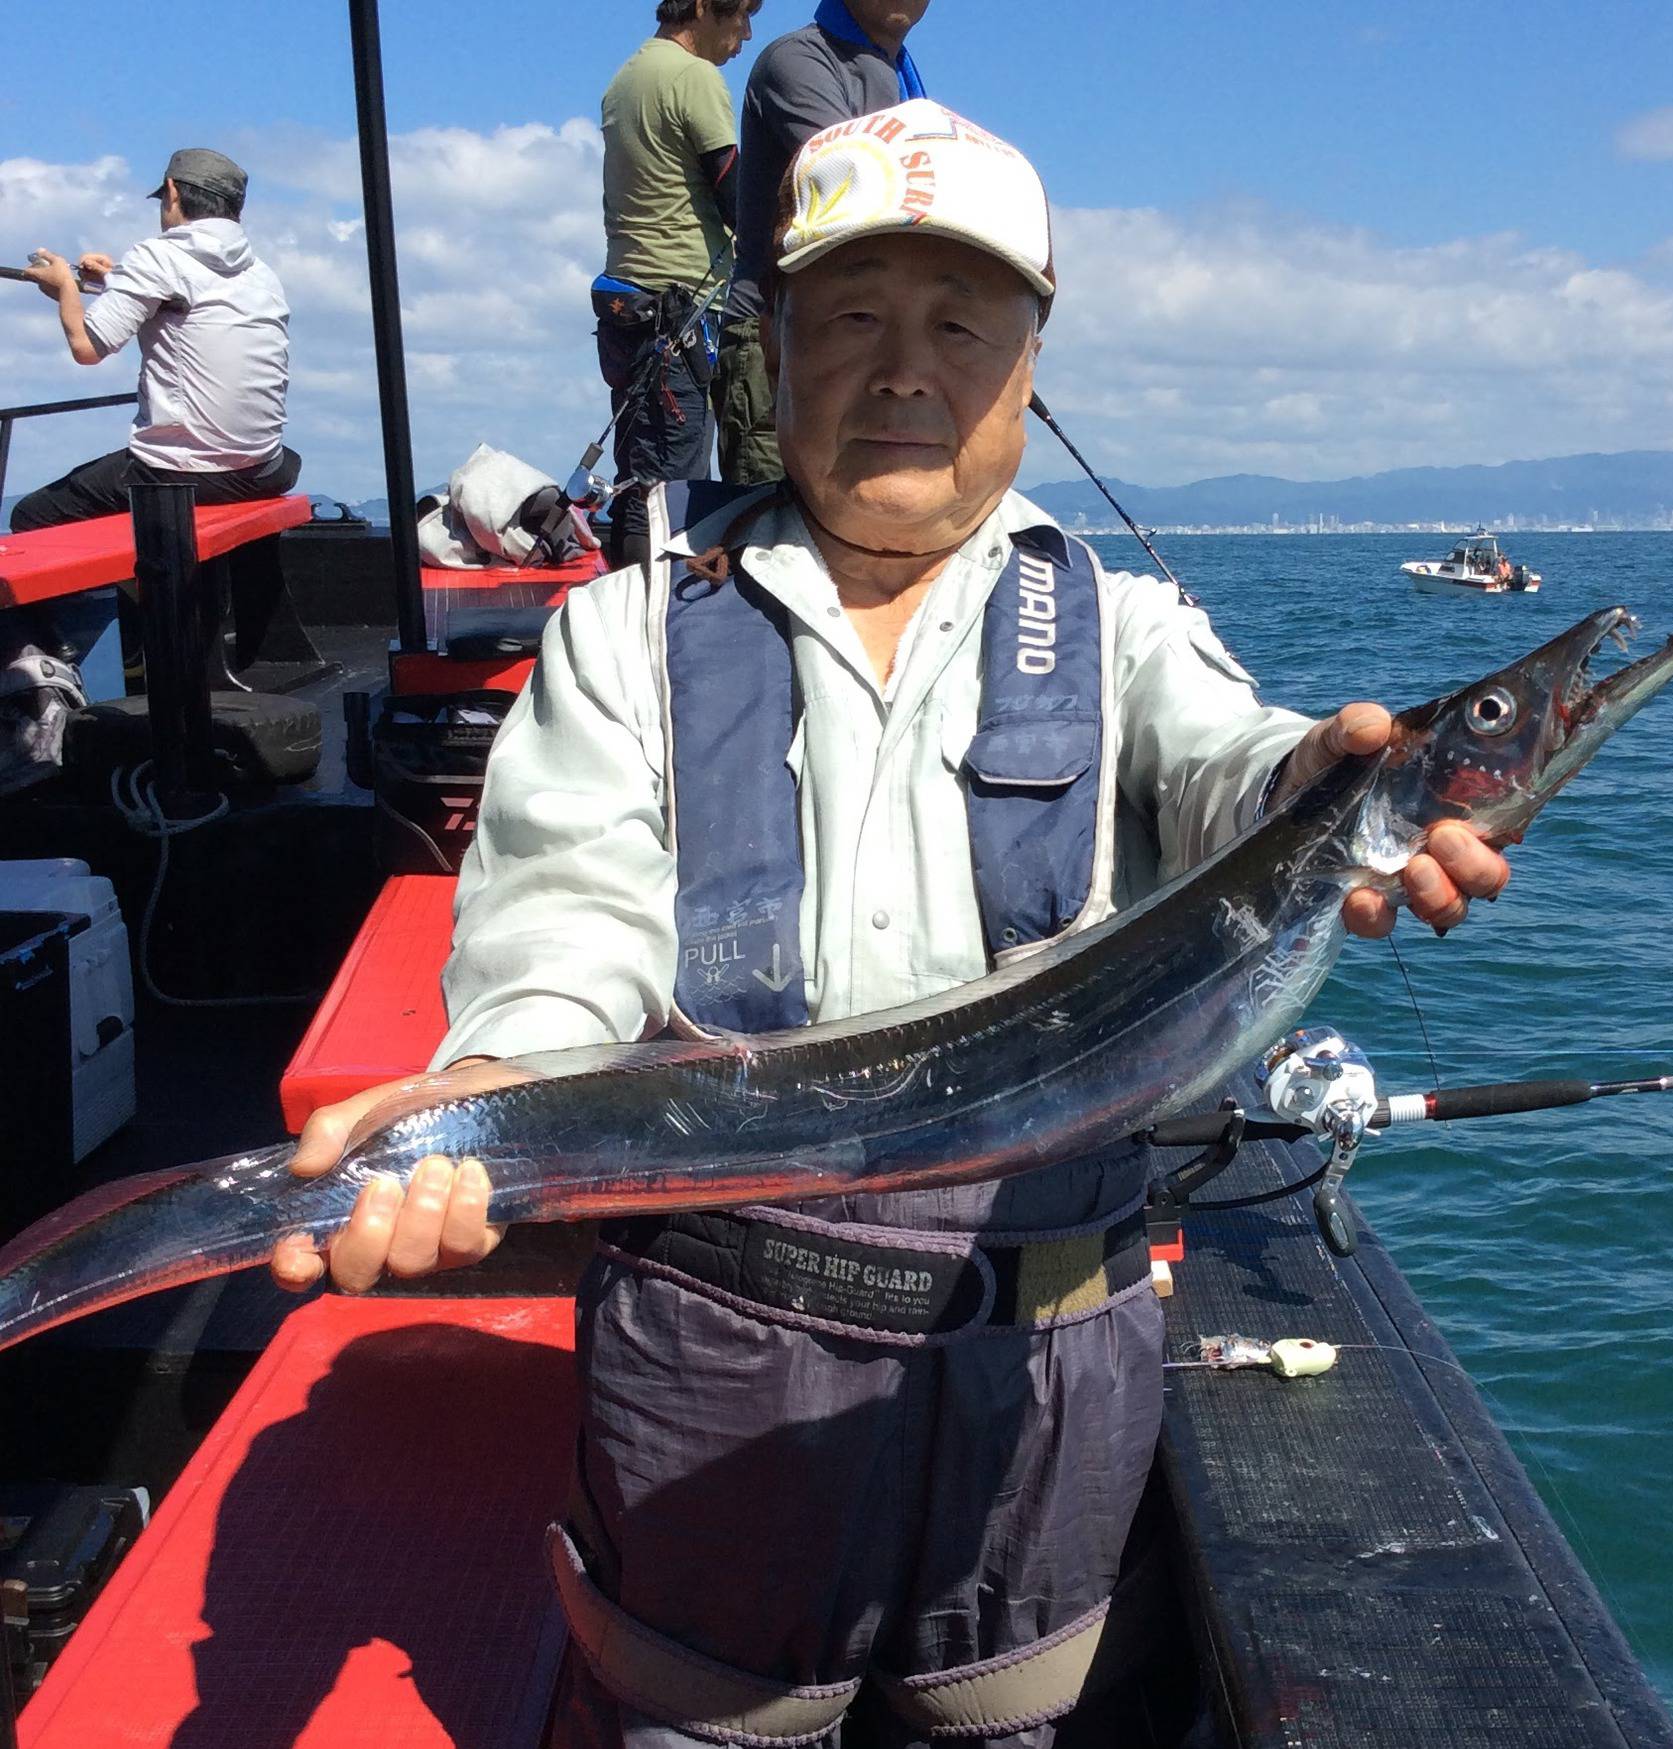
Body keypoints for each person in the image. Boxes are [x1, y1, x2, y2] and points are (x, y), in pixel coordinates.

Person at [272, 101, 1512, 1748]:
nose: (902, 368)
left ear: (1029, 356)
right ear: (771, 349)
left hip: (1046, 1374)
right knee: (698, 1714)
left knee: (1010, 1714)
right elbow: (561, 925)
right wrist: (489, 1089)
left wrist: (1322, 773)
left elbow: (1230, 763)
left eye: (957, 324)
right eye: (848, 318)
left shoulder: (1125, 625)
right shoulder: (631, 632)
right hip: (706, 1359)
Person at [10, 148, 298, 533]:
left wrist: (65, 286)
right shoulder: (259, 272)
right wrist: (113, 281)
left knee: (32, 515)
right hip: (263, 467)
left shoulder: (159, 255)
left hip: (182, 470)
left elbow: (87, 347)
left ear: (172, 191)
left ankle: (148, 589)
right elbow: (184, 301)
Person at [715, 0, 929, 486]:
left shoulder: (898, 80)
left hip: (867, 339)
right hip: (775, 340)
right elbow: (857, 183)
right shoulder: (797, 61)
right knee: (769, 535)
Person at [595, 0, 761, 567]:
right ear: (701, 8)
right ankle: (657, 622)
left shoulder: (627, 77)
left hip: (630, 302)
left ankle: (624, 613)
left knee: (639, 477)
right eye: (739, 16)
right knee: (673, 489)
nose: (745, 35)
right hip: (680, 305)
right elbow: (734, 191)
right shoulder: (694, 76)